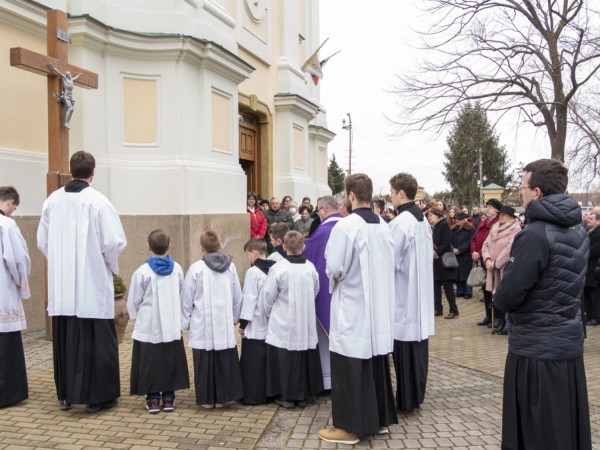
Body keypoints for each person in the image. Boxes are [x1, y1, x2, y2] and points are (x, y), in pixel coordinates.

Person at [494, 159, 591, 450]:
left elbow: (507, 295)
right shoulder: (578, 230)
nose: (519, 193)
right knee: (562, 429)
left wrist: (500, 296)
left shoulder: (534, 234)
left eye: (522, 187)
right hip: (567, 343)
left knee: (537, 433)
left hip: (536, 349)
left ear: (536, 192)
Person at [37, 151, 127, 413]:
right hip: (92, 283)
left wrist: (59, 261)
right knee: (96, 341)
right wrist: (108, 265)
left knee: (66, 339)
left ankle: (65, 395)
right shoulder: (99, 202)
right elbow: (113, 242)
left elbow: (42, 241)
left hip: (64, 287)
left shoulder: (52, 201)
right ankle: (97, 398)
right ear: (93, 172)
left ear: (71, 170)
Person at [318, 173, 397, 445]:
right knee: (376, 363)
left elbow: (335, 267)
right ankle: (380, 420)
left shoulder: (346, 226)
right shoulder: (384, 225)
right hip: (378, 308)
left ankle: (350, 427)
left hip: (353, 307)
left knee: (351, 365)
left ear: (350, 196)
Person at [127, 229, 189, 414]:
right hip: (170, 323)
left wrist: (138, 316)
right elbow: (181, 292)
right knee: (170, 360)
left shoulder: (142, 272)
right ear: (169, 247)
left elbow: (134, 300)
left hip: (149, 325)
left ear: (148, 247)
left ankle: (154, 399)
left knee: (150, 362)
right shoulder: (177, 268)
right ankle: (168, 397)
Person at [182, 230, 244, 409]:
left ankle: (207, 398)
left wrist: (185, 321)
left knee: (205, 359)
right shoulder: (230, 267)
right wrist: (234, 317)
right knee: (224, 358)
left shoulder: (196, 268)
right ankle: (224, 397)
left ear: (201, 248)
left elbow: (187, 297)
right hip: (223, 322)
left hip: (203, 323)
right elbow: (237, 295)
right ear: (221, 245)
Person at [388, 173, 434, 413]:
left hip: (404, 296)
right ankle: (414, 398)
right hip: (419, 294)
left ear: (401, 194)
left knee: (405, 352)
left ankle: (406, 401)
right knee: (417, 351)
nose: (390, 196)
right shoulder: (422, 221)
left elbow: (390, 260)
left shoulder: (401, 223)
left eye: (392, 192)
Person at [263, 231, 323, 408]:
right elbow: (315, 290)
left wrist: (269, 313)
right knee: (304, 355)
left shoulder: (278, 268)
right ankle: (304, 394)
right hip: (305, 320)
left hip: (284, 319)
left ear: (283, 246)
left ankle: (287, 396)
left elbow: (268, 296)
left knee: (285, 357)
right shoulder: (310, 267)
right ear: (303, 247)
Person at [303, 195, 342, 390]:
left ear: (324, 209)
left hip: (328, 292)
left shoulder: (324, 231)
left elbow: (309, 254)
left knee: (326, 339)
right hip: (348, 295)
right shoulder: (349, 225)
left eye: (318, 211)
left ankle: (327, 380)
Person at [0, 186, 31, 408]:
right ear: (10, 202)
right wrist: (21, 281)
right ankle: (7, 393)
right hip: (3, 292)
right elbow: (17, 259)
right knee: (5, 344)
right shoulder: (7, 225)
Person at [238, 237, 276, 405]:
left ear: (254, 252)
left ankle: (252, 396)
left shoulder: (253, 272)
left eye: (248, 254)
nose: (248, 258)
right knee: (268, 361)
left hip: (255, 323)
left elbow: (249, 299)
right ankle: (269, 393)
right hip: (272, 322)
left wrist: (243, 323)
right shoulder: (275, 268)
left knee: (253, 363)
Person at [481, 206, 521, 334]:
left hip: (505, 266)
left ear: (511, 217)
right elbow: (485, 244)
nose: (501, 217)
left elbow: (510, 248)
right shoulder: (494, 227)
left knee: (504, 294)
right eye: (500, 214)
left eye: (504, 215)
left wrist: (496, 263)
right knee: (495, 294)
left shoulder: (515, 228)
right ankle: (499, 320)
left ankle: (506, 322)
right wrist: (487, 259)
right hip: (491, 266)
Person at [471, 199, 502, 327]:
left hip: (490, 261)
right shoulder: (483, 222)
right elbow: (474, 238)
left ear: (497, 210)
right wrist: (474, 252)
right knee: (485, 290)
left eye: (489, 207)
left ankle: (496, 317)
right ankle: (488, 316)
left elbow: (490, 243)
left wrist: (479, 252)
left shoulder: (498, 224)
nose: (487, 210)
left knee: (493, 290)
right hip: (480, 261)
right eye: (486, 207)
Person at [427, 207, 459, 319]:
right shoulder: (433, 227)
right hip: (436, 262)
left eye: (430, 215)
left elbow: (446, 243)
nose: (429, 218)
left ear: (437, 215)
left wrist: (435, 253)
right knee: (436, 285)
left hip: (443, 260)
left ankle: (453, 310)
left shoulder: (443, 225)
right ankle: (438, 309)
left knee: (447, 286)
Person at [48, 63, 82, 129]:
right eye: (68, 74)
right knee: (71, 108)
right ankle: (66, 123)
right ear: (66, 75)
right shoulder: (64, 78)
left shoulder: (71, 80)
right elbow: (58, 72)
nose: (69, 75)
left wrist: (79, 74)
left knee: (72, 110)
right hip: (66, 96)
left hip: (71, 97)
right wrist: (52, 67)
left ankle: (67, 122)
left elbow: (76, 77)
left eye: (70, 74)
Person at [452, 212, 475, 299]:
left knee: (466, 274)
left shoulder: (471, 228)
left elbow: (470, 241)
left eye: (459, 219)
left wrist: (460, 249)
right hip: (455, 254)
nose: (456, 221)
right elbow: (449, 240)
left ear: (464, 220)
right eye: (456, 219)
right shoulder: (453, 228)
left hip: (465, 255)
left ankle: (468, 292)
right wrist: (453, 249)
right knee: (457, 274)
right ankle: (460, 291)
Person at [583, 212, 600, 326]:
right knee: (587, 293)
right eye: (588, 218)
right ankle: (589, 315)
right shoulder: (587, 232)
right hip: (587, 267)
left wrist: (583, 251)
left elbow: (596, 249)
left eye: (591, 219)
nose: (588, 220)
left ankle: (596, 317)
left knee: (595, 295)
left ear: (598, 221)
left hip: (595, 268)